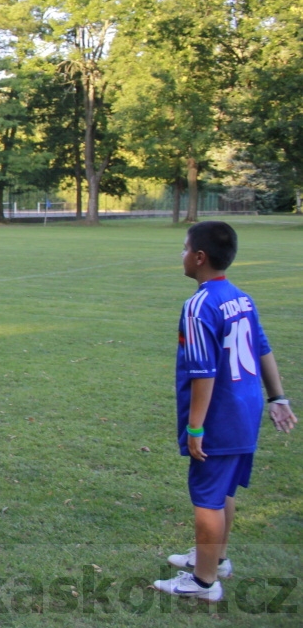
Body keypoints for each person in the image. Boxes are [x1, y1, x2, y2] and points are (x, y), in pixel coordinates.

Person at [153, 221, 296, 601]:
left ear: (199, 257)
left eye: (184, 248)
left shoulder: (199, 305)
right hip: (246, 409)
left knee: (206, 496)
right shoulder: (241, 297)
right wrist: (278, 398)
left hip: (220, 414)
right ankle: (215, 560)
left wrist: (196, 427)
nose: (181, 255)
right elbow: (262, 348)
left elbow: (203, 372)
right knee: (224, 491)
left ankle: (202, 582)